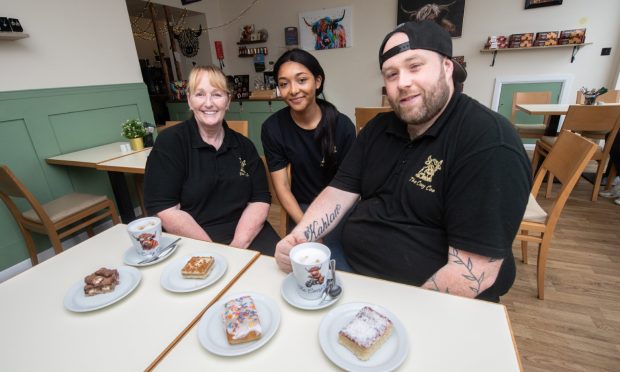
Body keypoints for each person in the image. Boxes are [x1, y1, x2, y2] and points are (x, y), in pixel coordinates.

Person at [274, 21, 532, 302]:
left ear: (447, 67)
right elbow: (339, 191)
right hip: (352, 268)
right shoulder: (379, 128)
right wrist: (299, 239)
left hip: (420, 298)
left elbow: (472, 271)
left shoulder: (487, 142)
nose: (403, 83)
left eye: (415, 66)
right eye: (391, 74)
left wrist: (391, 319)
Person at [144, 65, 279, 255]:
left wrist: (237, 247)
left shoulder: (244, 145)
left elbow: (260, 199)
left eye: (217, 94)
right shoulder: (170, 143)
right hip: (192, 237)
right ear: (189, 100)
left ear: (228, 101)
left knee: (279, 275)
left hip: (247, 232)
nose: (209, 103)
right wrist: (214, 252)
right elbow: (165, 208)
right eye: (200, 94)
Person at [261, 48, 356, 271]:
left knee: (339, 265)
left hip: (341, 208)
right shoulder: (273, 128)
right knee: (306, 263)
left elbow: (352, 185)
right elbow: (282, 187)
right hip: (302, 207)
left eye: (301, 80)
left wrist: (320, 228)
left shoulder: (342, 126)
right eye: (284, 84)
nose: (293, 90)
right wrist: (308, 226)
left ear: (318, 81)